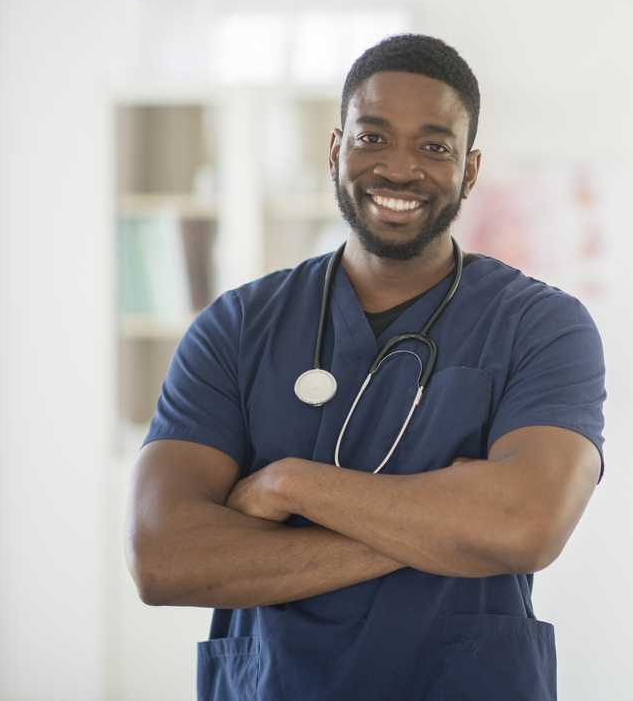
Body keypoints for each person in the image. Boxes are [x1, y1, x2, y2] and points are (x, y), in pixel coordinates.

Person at [125, 34, 607, 701]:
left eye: (434, 146)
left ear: (469, 171)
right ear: (335, 150)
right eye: (373, 138)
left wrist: (293, 486)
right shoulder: (236, 329)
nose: (399, 168)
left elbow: (528, 524)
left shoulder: (541, 327)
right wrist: (456, 526)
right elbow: (162, 558)